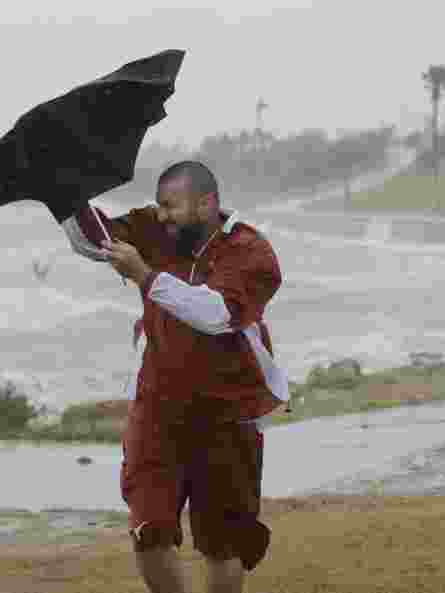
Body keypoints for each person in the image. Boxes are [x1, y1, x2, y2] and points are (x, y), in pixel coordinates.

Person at [61, 160, 290, 593]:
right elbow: (97, 242)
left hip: (228, 413)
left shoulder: (250, 251)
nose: (160, 215)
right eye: (158, 206)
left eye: (171, 207)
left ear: (206, 204)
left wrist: (146, 278)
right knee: (149, 528)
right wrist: (63, 193)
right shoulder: (153, 227)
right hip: (159, 407)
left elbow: (218, 314)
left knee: (223, 545)